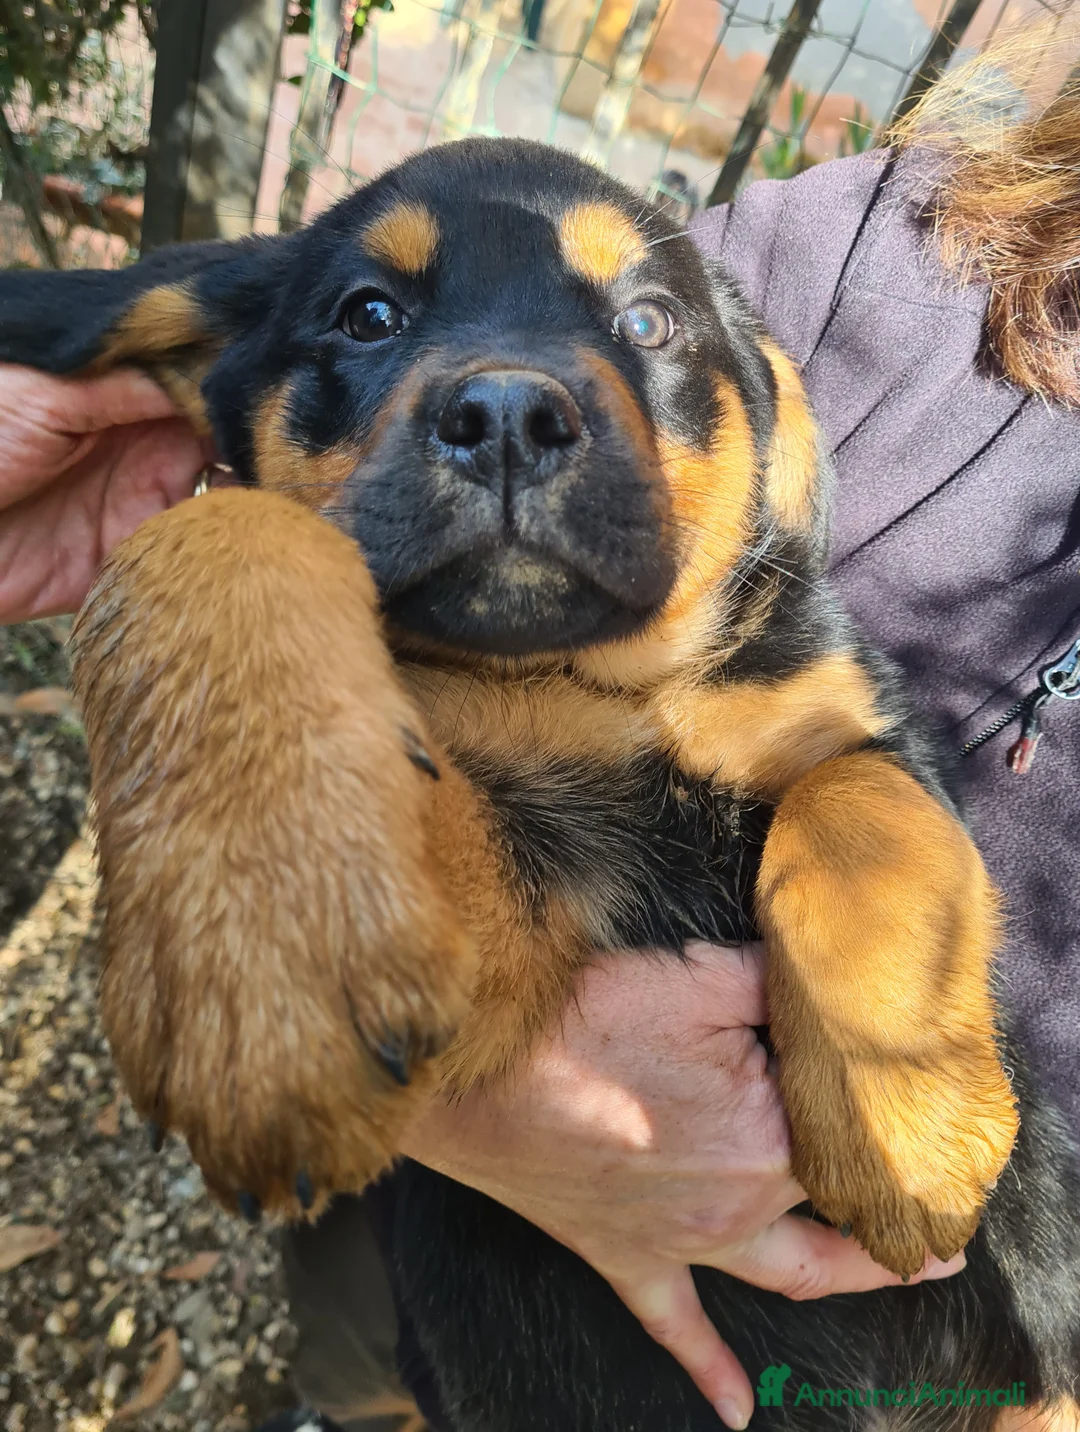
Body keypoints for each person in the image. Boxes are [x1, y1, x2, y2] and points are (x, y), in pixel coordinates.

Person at [1, 30, 1077, 1432]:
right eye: (372, 320)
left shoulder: (773, 661)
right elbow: (389, 961)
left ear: (774, 447)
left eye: (638, 327)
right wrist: (209, 592)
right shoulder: (904, 242)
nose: (509, 395)